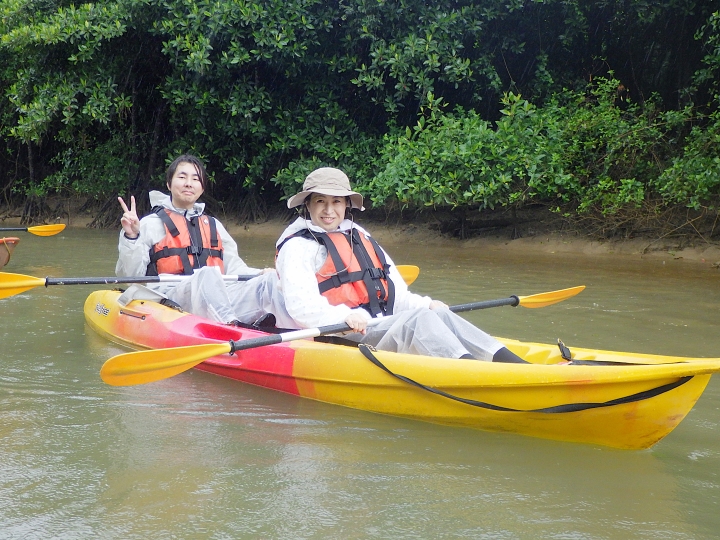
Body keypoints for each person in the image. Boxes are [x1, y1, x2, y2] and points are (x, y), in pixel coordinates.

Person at [274, 167, 528, 363]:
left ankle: (514, 365)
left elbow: (397, 292)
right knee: (417, 321)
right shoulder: (296, 247)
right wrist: (344, 316)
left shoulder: (357, 235)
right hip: (338, 333)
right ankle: (474, 371)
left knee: (436, 313)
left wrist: (427, 304)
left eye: (336, 201)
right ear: (307, 205)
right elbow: (302, 307)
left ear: (347, 205)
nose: (329, 209)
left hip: (378, 325)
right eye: (320, 201)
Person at [116, 154, 278, 325]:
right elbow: (131, 276)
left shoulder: (214, 226)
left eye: (195, 179)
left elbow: (235, 270)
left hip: (216, 298)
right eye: (182, 177)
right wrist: (131, 236)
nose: (188, 183)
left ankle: (279, 326)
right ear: (169, 184)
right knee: (207, 273)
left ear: (202, 188)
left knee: (269, 279)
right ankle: (230, 326)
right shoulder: (148, 224)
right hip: (171, 297)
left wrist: (260, 273)